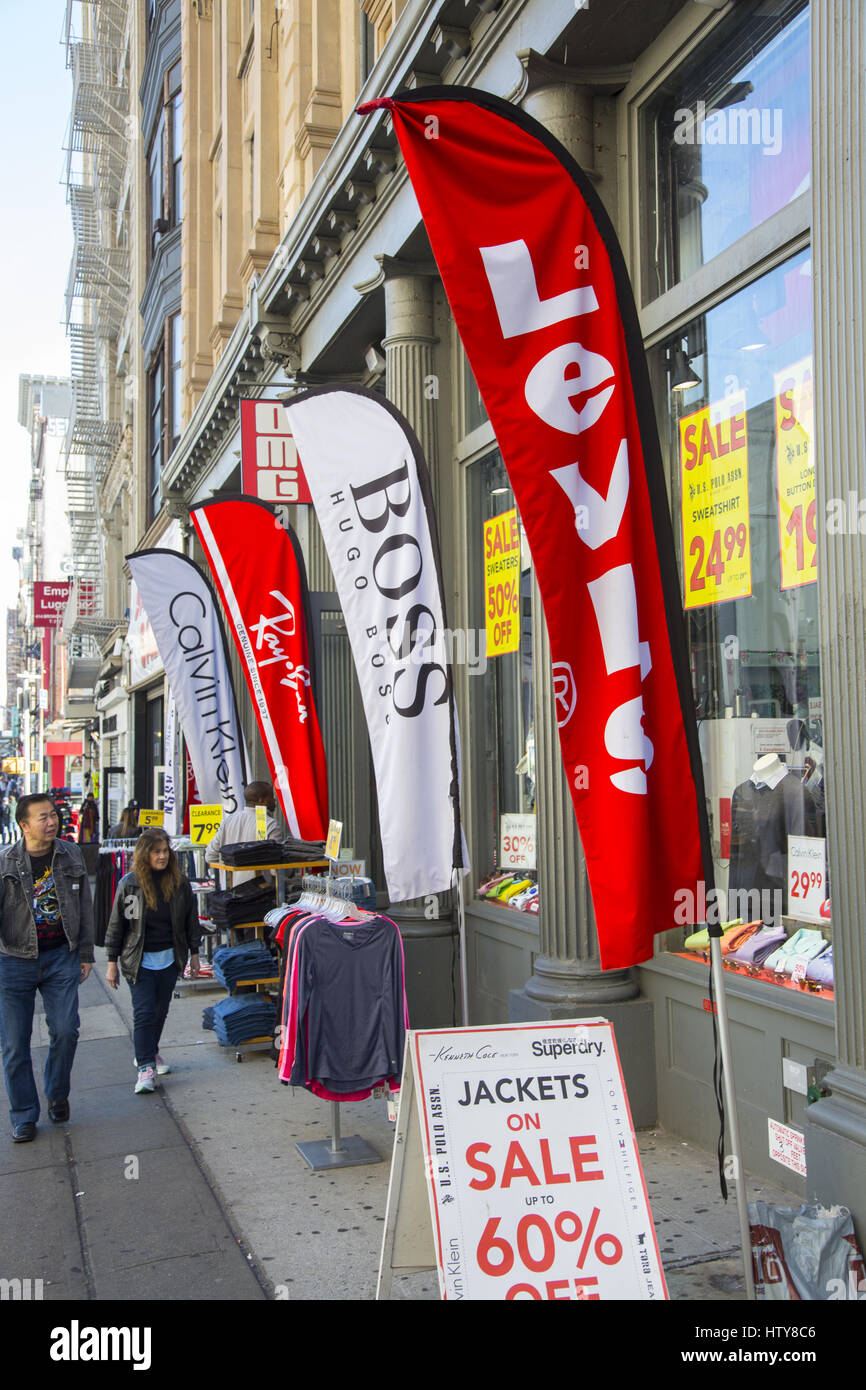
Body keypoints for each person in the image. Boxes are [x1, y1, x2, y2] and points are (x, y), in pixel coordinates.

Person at [0, 793, 94, 1141]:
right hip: (13, 960)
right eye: (42, 817)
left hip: (61, 956)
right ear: (24, 825)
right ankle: (24, 1114)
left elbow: (84, 903)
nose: (51, 822)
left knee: (67, 1030)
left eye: (53, 815)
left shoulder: (70, 854)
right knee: (13, 1044)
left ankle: (56, 1092)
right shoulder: (5, 862)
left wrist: (86, 953)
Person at [104, 827, 201, 1094]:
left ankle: (150, 1051)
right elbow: (119, 926)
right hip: (139, 961)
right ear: (144, 853)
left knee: (160, 1011)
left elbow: (190, 922)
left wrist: (194, 953)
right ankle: (144, 1065)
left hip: (170, 959)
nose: (161, 856)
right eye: (156, 852)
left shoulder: (179, 884)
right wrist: (111, 962)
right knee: (144, 1013)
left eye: (165, 851)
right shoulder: (131, 885)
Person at [205, 781, 283, 886]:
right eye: (271, 796)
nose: (274, 800)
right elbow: (276, 867)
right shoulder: (271, 825)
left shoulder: (228, 821)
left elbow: (210, 856)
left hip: (231, 891)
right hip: (262, 893)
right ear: (261, 800)